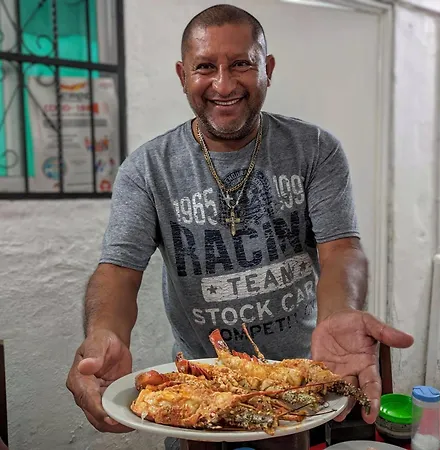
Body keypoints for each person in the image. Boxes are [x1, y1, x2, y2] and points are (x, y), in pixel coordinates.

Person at [66, 3, 414, 449]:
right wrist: (104, 334)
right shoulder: (147, 170)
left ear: (267, 69)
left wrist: (340, 312)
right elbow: (118, 270)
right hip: (198, 390)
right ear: (183, 75)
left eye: (241, 64)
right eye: (205, 67)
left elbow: (341, 249)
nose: (224, 84)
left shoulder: (315, 149)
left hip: (298, 386)